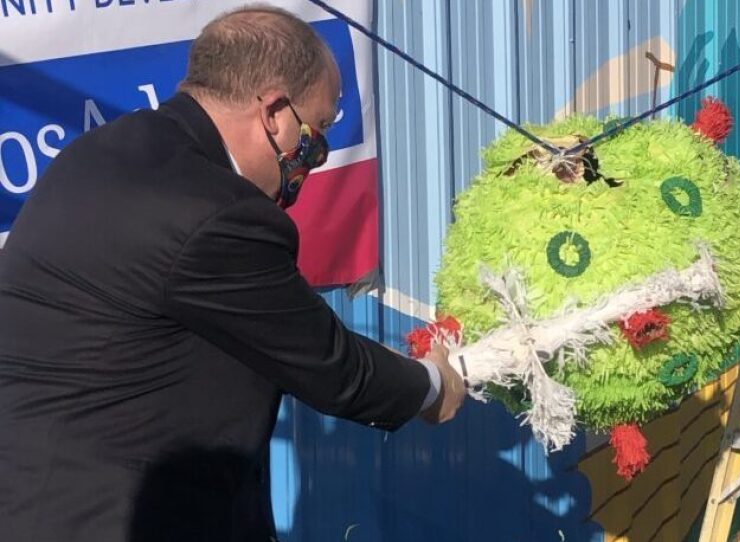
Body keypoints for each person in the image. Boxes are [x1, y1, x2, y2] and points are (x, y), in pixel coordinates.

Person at [0, 5, 465, 541]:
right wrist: (432, 384)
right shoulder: (216, 213)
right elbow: (332, 367)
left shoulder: (104, 150)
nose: (314, 159)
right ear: (275, 113)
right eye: (317, 135)